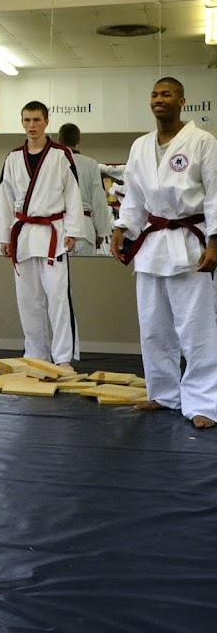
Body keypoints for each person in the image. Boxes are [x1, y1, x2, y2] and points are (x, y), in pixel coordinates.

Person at [111, 77, 217, 429]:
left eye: (166, 94)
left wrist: (215, 239)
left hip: (191, 244)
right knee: (153, 327)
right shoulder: (140, 146)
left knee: (196, 328)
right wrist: (121, 228)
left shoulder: (202, 142)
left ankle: (204, 403)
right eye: (155, 94)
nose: (159, 99)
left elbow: (215, 194)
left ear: (182, 101)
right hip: (153, 245)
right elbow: (134, 197)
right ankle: (164, 392)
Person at [0, 102, 83, 370]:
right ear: (22, 123)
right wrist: (3, 237)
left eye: (36, 120)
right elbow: (5, 200)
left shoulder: (61, 155)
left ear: (46, 121)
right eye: (27, 120)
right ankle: (35, 352)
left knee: (57, 298)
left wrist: (74, 230)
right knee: (27, 298)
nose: (32, 125)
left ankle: (63, 356)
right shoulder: (12, 158)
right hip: (24, 235)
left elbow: (73, 195)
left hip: (54, 234)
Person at [57, 123, 112, 256]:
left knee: (60, 276)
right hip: (85, 227)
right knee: (86, 274)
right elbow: (98, 200)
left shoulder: (54, 163)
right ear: (78, 140)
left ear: (59, 140)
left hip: (60, 227)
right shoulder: (91, 164)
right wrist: (101, 232)